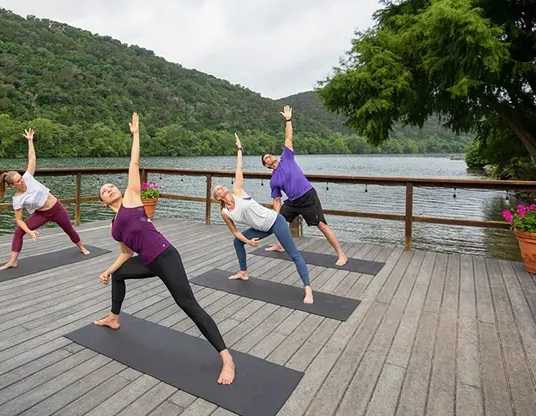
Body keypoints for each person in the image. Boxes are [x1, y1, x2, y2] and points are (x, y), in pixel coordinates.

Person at [92, 112, 235, 385]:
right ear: (103, 202)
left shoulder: (132, 197)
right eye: (104, 191)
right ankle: (113, 318)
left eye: (111, 186)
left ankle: (226, 358)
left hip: (166, 256)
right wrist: (109, 270)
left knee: (187, 304)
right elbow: (126, 253)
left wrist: (136, 136)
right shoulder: (113, 227)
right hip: (147, 261)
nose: (109, 189)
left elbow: (134, 163)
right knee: (120, 274)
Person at [213, 134, 314, 304]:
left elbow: (239, 168)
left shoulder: (237, 191)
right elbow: (236, 233)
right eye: (218, 189)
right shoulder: (225, 212)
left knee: (294, 255)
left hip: (275, 222)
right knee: (237, 242)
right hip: (260, 229)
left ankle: (308, 289)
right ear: (218, 197)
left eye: (221, 186)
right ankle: (243, 272)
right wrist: (248, 241)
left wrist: (239, 148)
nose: (221, 187)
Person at [262, 105, 348, 266]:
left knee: (322, 226)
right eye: (266, 158)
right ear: (266, 165)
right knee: (280, 221)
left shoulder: (286, 158)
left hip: (308, 196)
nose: (269, 156)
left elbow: (288, 138)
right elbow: (277, 199)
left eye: (269, 155)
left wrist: (288, 120)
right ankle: (279, 245)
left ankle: (341, 255)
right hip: (293, 202)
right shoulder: (273, 180)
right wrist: (276, 215)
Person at [0, 128, 89, 270]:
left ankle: (81, 247)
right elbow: (19, 220)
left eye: (21, 178)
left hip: (56, 208)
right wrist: (29, 231)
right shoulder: (17, 199)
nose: (22, 181)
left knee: (69, 229)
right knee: (19, 231)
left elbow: (32, 159)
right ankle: (13, 261)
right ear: (12, 186)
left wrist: (30, 141)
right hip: (41, 214)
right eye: (18, 181)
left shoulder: (28, 177)